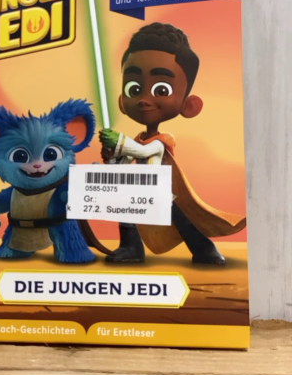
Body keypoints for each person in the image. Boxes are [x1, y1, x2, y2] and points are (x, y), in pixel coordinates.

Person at [99, 22, 245, 265]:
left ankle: (204, 249)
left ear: (188, 105)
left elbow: (143, 152)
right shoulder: (138, 139)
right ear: (122, 101)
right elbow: (125, 163)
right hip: (140, 191)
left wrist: (119, 142)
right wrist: (112, 158)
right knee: (124, 209)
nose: (144, 99)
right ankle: (130, 248)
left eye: (161, 90)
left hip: (160, 192)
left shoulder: (159, 142)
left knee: (182, 220)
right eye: (134, 88)